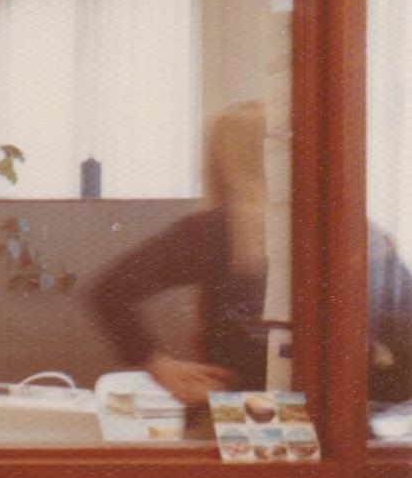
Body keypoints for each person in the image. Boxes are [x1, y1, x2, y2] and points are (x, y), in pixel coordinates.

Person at [88, 99, 412, 408]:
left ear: (220, 162)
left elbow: (107, 291)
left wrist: (158, 365)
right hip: (338, 425)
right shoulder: (355, 231)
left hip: (239, 421)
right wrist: (368, 395)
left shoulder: (209, 231)